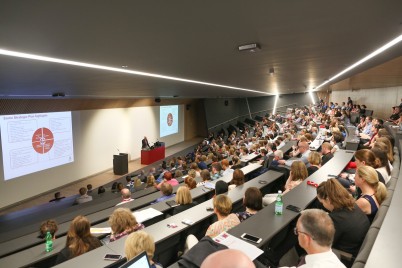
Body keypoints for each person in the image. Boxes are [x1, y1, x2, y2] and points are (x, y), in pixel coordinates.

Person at [316, 179, 370, 257]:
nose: (323, 205)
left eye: (322, 202)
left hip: (344, 257)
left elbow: (322, 245)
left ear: (328, 200)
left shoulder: (335, 219)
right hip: (354, 249)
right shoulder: (354, 206)